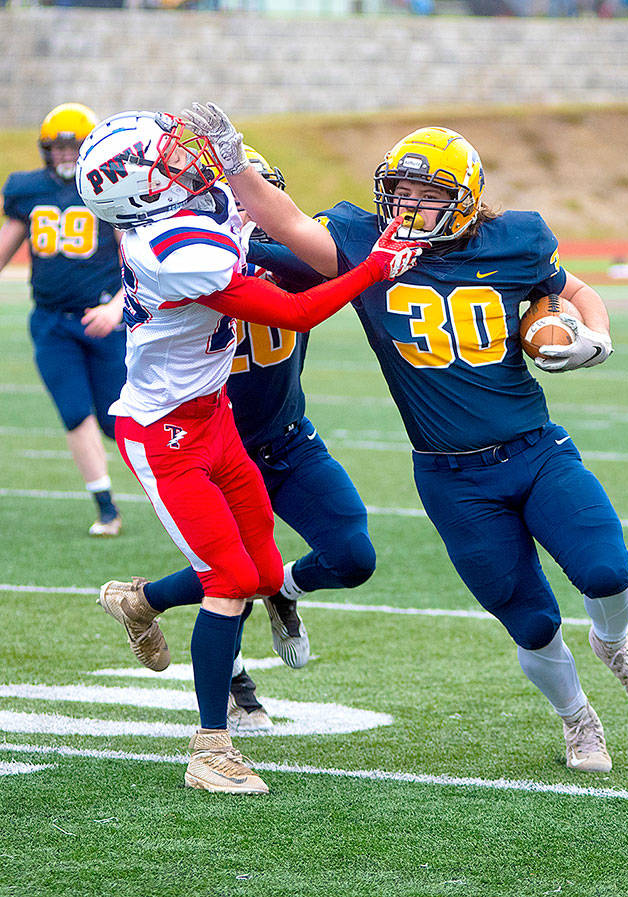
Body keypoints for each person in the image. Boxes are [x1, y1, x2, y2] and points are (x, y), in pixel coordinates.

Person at [181, 103, 628, 773]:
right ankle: (577, 718)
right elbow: (287, 223)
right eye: (400, 191)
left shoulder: (518, 238)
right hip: (451, 476)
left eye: (427, 194)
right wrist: (232, 161)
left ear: (465, 201)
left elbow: (577, 290)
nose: (409, 205)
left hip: (536, 449)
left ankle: (614, 642)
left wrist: (597, 338)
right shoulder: (367, 242)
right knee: (529, 620)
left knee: (607, 571)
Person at [75, 110, 426, 793]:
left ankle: (140, 600)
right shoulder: (168, 250)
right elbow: (294, 312)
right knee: (231, 580)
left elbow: (269, 219)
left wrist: (235, 162)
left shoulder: (189, 207)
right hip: (165, 436)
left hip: (214, 419)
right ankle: (212, 746)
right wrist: (377, 264)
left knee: (264, 569)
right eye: (164, 160)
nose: (180, 162)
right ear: (140, 192)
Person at [99, 147, 379, 733]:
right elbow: (281, 295)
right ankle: (229, 704)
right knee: (227, 579)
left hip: (282, 436)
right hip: (197, 439)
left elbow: (321, 259)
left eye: (259, 194)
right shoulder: (189, 254)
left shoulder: (268, 248)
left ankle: (235, 594)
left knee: (348, 556)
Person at [0, 103, 128, 537]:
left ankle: (177, 488)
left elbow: (139, 263)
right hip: (52, 322)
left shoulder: (112, 187)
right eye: (58, 148)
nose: (67, 156)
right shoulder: (28, 190)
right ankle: (106, 507)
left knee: (115, 420)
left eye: (75, 146)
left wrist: (117, 309)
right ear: (45, 151)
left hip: (103, 318)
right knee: (74, 412)